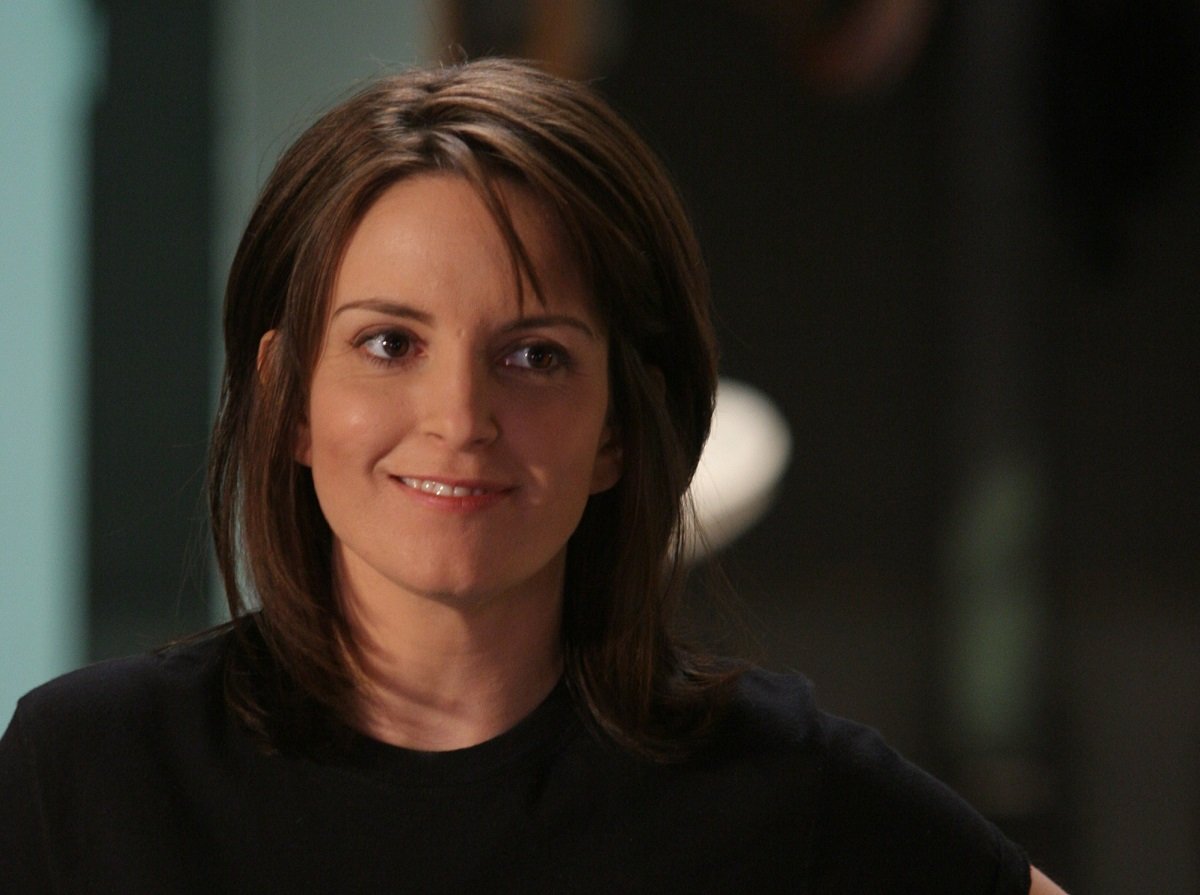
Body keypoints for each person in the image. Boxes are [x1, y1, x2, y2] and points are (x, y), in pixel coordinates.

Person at [0, 58, 1065, 893]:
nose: (460, 419)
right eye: (389, 343)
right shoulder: (93, 773)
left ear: (617, 428)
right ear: (289, 400)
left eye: (535, 356)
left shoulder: (780, 790)